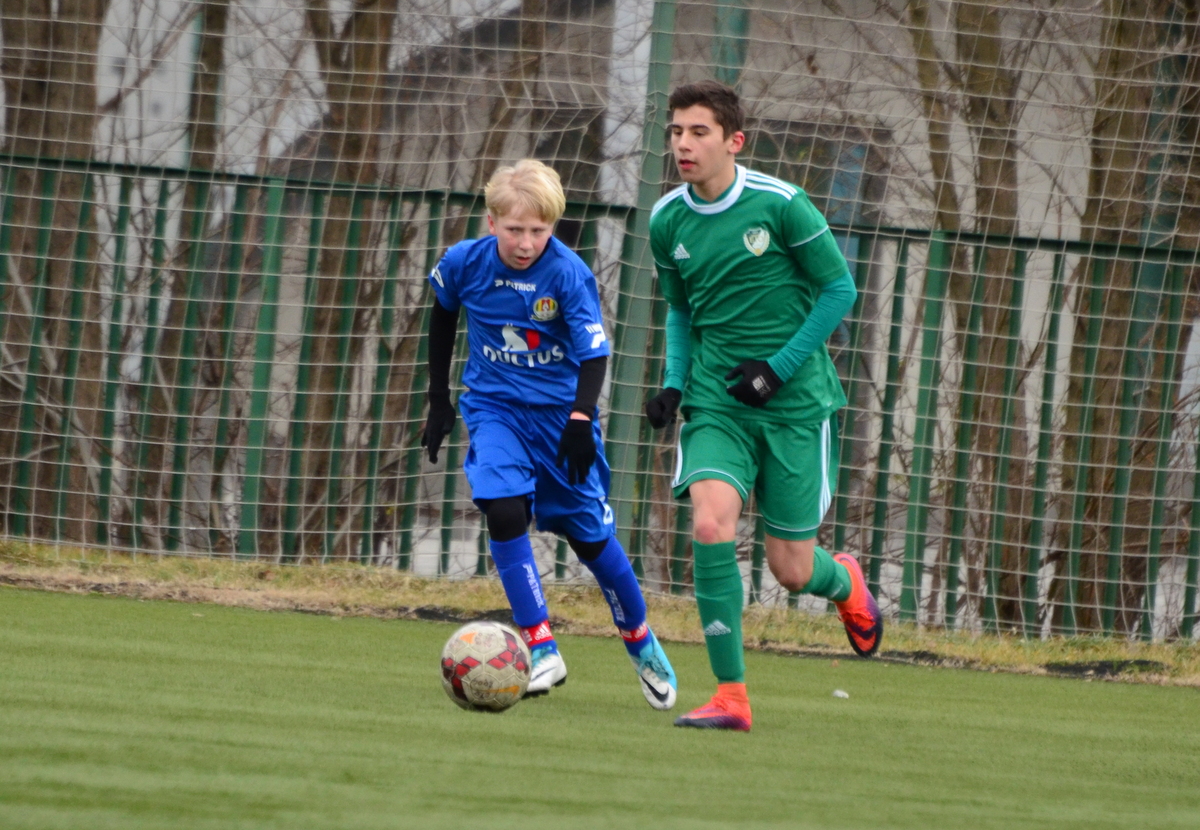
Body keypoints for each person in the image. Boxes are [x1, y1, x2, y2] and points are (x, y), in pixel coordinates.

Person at [644, 80, 882, 732]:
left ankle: (849, 585)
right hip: (718, 406)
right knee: (712, 525)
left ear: (733, 141)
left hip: (794, 407)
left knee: (791, 567)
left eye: (698, 132)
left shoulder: (781, 206)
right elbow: (680, 310)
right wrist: (674, 384)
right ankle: (731, 695)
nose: (684, 144)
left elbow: (839, 289)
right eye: (676, 131)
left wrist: (775, 373)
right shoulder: (667, 220)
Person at [421, 158, 677, 710]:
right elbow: (441, 316)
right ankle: (541, 644)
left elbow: (594, 353)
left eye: (539, 231)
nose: (525, 242)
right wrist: (438, 399)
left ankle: (639, 640)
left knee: (590, 540)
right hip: (495, 410)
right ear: (491, 223)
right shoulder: (463, 262)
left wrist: (583, 418)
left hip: (562, 422)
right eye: (514, 229)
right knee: (502, 507)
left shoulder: (565, 273)